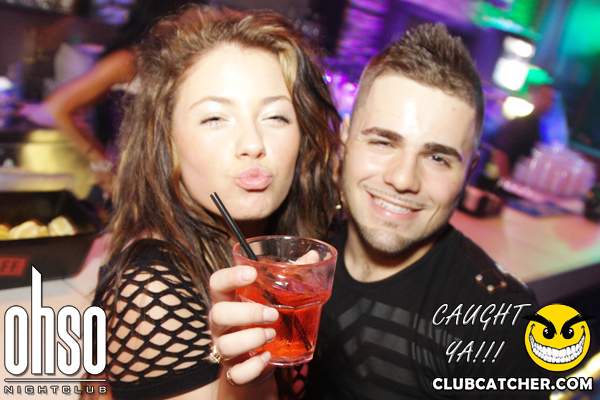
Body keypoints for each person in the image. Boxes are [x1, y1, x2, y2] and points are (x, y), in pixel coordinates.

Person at [209, 23, 551, 399]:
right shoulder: (299, 254)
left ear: (469, 172)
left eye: (438, 158)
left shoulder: (501, 323)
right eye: (384, 142)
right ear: (345, 138)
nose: (403, 179)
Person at [90, 4, 341, 400]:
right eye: (214, 118)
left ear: (304, 137)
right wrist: (248, 380)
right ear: (168, 143)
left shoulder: (298, 248)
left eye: (276, 117)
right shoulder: (151, 292)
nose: (252, 144)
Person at [17, 0, 203, 198]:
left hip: (172, 187)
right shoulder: (130, 61)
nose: (201, 24)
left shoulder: (182, 65)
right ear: (164, 24)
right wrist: (100, 162)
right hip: (131, 187)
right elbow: (55, 108)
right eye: (193, 19)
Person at [491, 83, 554, 178]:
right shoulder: (520, 123)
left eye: (550, 99)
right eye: (544, 96)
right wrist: (506, 180)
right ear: (535, 96)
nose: (548, 102)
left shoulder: (539, 128)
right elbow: (501, 154)